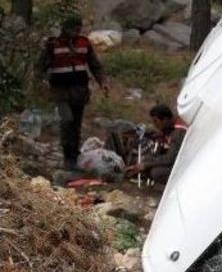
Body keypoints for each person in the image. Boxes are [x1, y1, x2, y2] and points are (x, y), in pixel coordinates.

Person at [38, 13, 109, 170]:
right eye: (72, 29)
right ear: (64, 29)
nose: (75, 32)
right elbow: (41, 67)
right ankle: (67, 155)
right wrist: (40, 84)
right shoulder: (53, 44)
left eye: (78, 29)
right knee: (67, 120)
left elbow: (95, 65)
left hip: (80, 90)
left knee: (76, 124)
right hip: (60, 91)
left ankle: (74, 156)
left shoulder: (84, 43)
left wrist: (102, 82)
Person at [125, 104, 187, 184]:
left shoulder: (178, 133)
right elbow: (158, 152)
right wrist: (144, 163)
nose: (155, 125)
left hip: (182, 165)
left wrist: (146, 165)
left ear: (165, 120)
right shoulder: (167, 130)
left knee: (156, 172)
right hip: (171, 161)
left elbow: (170, 158)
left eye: (156, 121)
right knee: (147, 160)